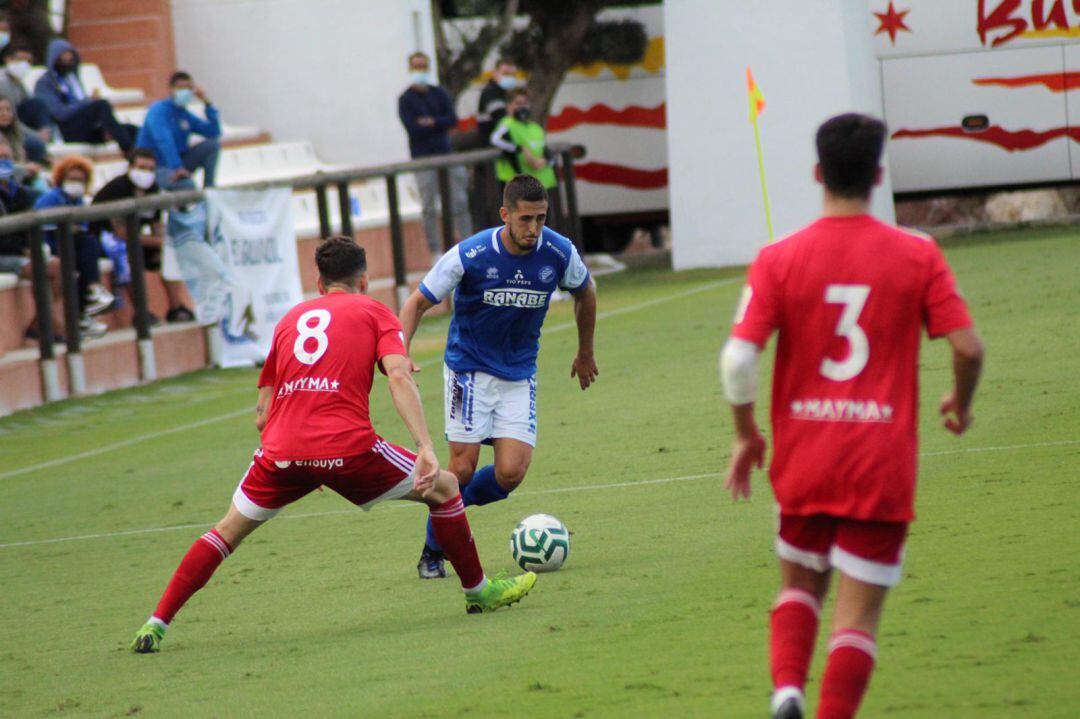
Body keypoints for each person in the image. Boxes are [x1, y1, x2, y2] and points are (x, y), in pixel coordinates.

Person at [129, 236, 537, 653]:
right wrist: (425, 445)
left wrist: (305, 462)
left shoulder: (290, 320)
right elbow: (398, 376)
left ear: (320, 284)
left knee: (225, 531)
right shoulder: (377, 312)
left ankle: (155, 623)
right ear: (364, 280)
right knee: (447, 487)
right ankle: (478, 592)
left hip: (281, 453)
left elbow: (262, 412)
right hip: (348, 448)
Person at [718, 113, 984, 719]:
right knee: (857, 617)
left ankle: (787, 691)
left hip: (805, 461)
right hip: (880, 464)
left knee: (798, 587)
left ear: (818, 173)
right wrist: (959, 403)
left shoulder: (780, 257)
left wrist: (745, 434)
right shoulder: (918, 254)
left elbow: (737, 360)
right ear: (879, 174)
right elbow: (968, 347)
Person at [399, 174, 599, 579]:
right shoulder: (471, 254)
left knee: (510, 474)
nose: (534, 229)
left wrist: (585, 351)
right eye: (526, 219)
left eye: (541, 219)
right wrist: (398, 354)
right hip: (468, 371)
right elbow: (417, 302)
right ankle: (433, 549)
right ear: (505, 214)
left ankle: (449, 507)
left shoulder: (559, 253)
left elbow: (586, 291)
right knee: (464, 468)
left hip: (519, 374)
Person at [92, 148, 195, 323]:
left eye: (150, 169)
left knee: (166, 254)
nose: (146, 174)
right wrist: (157, 242)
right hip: (105, 241)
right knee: (127, 256)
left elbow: (156, 226)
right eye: (141, 168)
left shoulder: (153, 189)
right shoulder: (117, 190)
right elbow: (121, 233)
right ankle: (142, 313)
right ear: (130, 167)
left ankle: (177, 308)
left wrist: (163, 244)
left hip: (135, 239)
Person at [397, 51, 472, 255]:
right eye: (416, 66)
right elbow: (413, 127)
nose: (419, 70)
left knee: (459, 201)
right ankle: (435, 250)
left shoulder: (439, 93)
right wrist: (437, 122)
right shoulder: (406, 99)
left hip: (446, 153)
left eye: (422, 66)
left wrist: (431, 121)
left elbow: (452, 120)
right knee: (428, 205)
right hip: (422, 157)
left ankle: (469, 246)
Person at [34, 155, 114, 338]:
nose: (76, 184)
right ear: (61, 178)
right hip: (51, 245)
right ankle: (91, 293)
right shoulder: (50, 198)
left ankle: (85, 308)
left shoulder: (78, 201)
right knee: (85, 249)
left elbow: (82, 228)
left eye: (80, 180)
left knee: (87, 251)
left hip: (71, 247)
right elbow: (45, 228)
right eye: (72, 179)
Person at [0, 136, 64, 339]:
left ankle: (39, 323)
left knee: (58, 266)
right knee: (42, 268)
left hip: (20, 250)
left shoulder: (18, 191)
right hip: (5, 254)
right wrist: (23, 250)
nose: (4, 162)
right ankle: (57, 327)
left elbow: (28, 227)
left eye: (7, 157)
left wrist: (29, 247)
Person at [34, 38, 137, 152]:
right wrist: (88, 102)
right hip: (67, 131)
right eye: (65, 56)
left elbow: (80, 103)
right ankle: (127, 150)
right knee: (101, 105)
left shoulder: (72, 79)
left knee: (131, 130)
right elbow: (60, 113)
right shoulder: (45, 83)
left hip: (86, 128)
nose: (69, 59)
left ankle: (138, 159)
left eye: (71, 56)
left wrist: (88, 101)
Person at [135, 71, 222, 190]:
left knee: (212, 145)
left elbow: (214, 132)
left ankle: (210, 190)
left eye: (188, 88)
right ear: (171, 89)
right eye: (180, 88)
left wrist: (206, 102)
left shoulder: (185, 115)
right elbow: (164, 140)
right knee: (187, 185)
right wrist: (177, 167)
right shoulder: (158, 110)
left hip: (179, 161)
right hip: (156, 165)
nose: (185, 91)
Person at [490, 89, 557, 201]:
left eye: (525, 103)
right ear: (509, 106)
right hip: (520, 187)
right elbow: (495, 140)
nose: (522, 107)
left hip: (544, 184)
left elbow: (546, 151)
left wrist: (544, 161)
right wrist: (520, 148)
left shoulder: (535, 127)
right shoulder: (507, 124)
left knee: (545, 217)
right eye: (518, 103)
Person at [0, 42, 51, 162]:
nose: (24, 65)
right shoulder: (2, 83)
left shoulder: (19, 83)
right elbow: (11, 117)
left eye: (28, 61)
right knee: (35, 145)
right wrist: (35, 135)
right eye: (20, 60)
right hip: (7, 131)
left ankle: (46, 135)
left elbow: (30, 106)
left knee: (38, 103)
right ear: (8, 59)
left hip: (15, 128)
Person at [0, 95, 46, 180]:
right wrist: (24, 169)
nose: (4, 113)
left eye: (8, 110)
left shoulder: (16, 136)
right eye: (0, 110)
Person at [476, 57, 518, 142]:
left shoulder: (506, 94)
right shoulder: (491, 93)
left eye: (512, 75)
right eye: (505, 74)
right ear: (495, 74)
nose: (510, 78)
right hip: (492, 144)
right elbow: (501, 119)